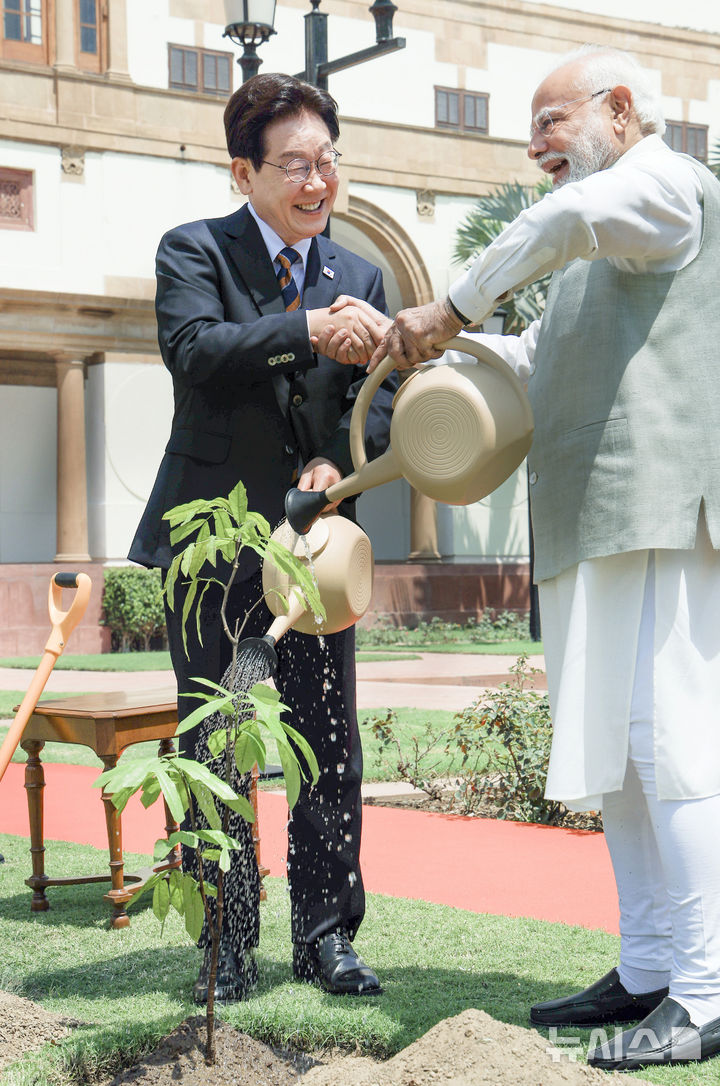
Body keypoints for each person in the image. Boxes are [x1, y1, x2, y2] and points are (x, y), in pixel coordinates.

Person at [319, 44, 720, 1070]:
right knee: (622, 755)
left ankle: (707, 991)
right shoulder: (592, 242)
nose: (535, 146)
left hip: (663, 510)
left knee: (674, 749)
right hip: (595, 518)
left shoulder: (662, 186)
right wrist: (419, 344)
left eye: (551, 121)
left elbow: (563, 219)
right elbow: (535, 360)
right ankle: (650, 969)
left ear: (620, 109)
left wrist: (449, 303)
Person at [129, 72, 396, 1002]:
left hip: (315, 554)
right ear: (243, 172)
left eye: (327, 161)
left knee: (327, 743)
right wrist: (305, 328)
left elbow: (378, 402)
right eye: (295, 165)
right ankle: (228, 942)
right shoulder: (193, 249)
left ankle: (327, 940)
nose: (317, 182)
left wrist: (336, 462)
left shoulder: (361, 276)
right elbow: (195, 351)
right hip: (212, 551)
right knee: (219, 743)